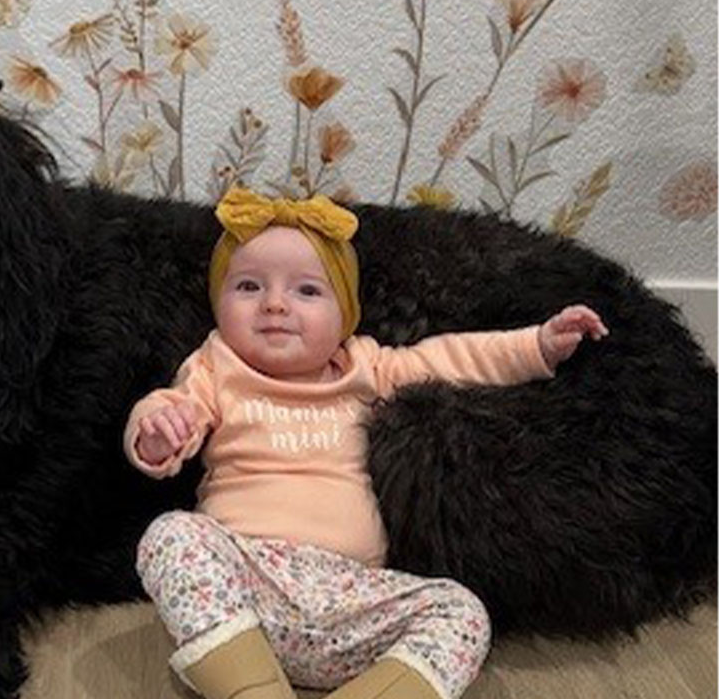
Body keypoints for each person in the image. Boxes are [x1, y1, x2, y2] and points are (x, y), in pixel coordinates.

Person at [125, 187, 609, 699]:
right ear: (217, 303)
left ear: (346, 315)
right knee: (171, 536)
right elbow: (170, 410)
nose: (274, 304)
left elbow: (451, 359)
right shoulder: (216, 366)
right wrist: (157, 431)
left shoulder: (365, 364)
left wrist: (536, 345)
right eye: (248, 286)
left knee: (462, 611)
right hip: (246, 589)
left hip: (352, 598)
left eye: (307, 292)